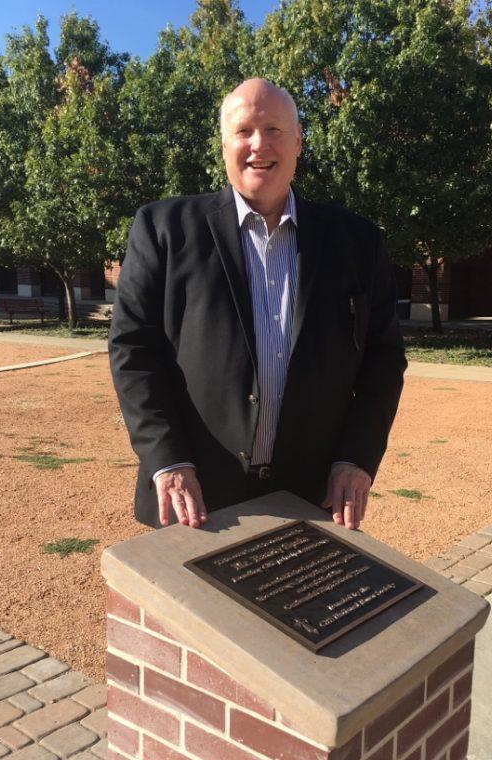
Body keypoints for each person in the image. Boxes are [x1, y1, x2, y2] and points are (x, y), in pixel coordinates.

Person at [109, 78, 407, 532]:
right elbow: (134, 352)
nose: (257, 145)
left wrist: (357, 456)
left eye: (273, 129)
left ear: (299, 142)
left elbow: (383, 360)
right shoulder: (163, 229)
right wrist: (167, 459)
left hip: (312, 494)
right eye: (243, 130)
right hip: (196, 495)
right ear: (224, 143)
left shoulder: (358, 241)